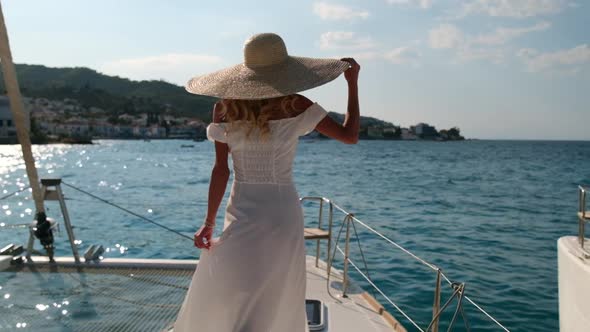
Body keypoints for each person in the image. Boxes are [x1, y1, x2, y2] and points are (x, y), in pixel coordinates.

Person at [171, 32, 360, 332]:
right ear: (285, 70)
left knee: (236, 287)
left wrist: (208, 223)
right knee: (276, 293)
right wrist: (352, 84)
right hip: (282, 213)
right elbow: (350, 136)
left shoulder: (225, 108)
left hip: (241, 210)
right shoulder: (297, 105)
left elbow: (221, 170)